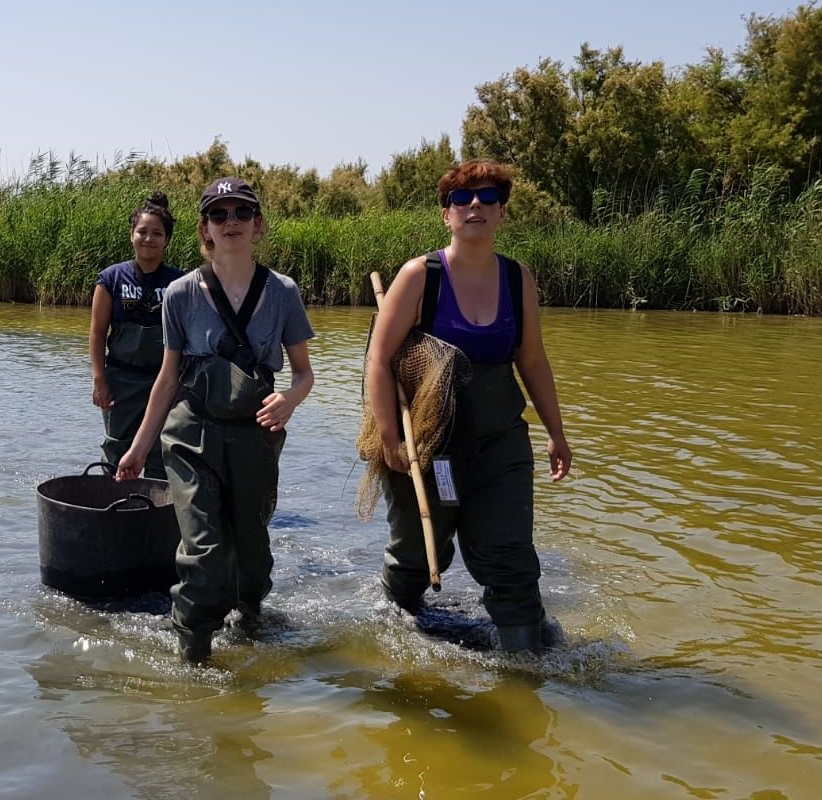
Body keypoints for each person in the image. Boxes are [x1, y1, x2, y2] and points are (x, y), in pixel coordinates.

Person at [364, 160, 571, 653]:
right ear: (447, 215)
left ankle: (526, 666)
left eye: (487, 197)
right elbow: (379, 359)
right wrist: (390, 439)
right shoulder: (420, 276)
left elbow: (532, 360)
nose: (474, 205)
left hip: (500, 440)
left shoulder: (518, 279)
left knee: (510, 556)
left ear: (502, 213)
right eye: (461, 198)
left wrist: (556, 433)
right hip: (429, 443)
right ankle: (394, 627)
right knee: (420, 554)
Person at [116, 177, 315, 664]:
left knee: (252, 560)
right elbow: (167, 380)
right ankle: (193, 660)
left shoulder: (283, 292)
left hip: (255, 437)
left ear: (257, 225)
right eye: (218, 214)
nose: (231, 222)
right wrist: (138, 449)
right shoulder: (180, 293)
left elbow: (304, 373)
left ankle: (251, 630)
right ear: (204, 228)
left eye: (242, 213)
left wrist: (289, 399)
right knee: (203, 554)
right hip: (190, 436)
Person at [89, 192, 184, 478]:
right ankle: (110, 499)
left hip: (165, 381)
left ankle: (156, 502)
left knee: (162, 451)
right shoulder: (111, 279)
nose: (148, 239)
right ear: (131, 235)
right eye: (142, 231)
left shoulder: (180, 282)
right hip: (121, 380)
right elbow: (97, 333)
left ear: (167, 240)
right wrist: (99, 380)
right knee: (117, 448)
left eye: (157, 233)